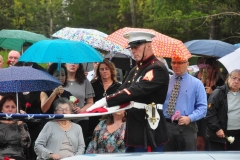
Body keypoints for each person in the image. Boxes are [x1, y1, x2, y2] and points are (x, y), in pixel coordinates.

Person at [87, 31, 170, 152]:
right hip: (134, 128)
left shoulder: (156, 68)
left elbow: (136, 91)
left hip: (149, 127)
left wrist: (106, 101)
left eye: (136, 47)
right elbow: (122, 90)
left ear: (148, 45)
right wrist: (104, 104)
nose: (133, 51)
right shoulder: (135, 69)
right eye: (132, 48)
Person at [162, 56, 207, 151]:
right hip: (167, 126)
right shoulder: (166, 81)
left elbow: (203, 108)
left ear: (187, 64)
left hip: (187, 127)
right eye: (173, 63)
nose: (176, 66)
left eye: (179, 63)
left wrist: (190, 118)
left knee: (187, 156)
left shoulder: (196, 84)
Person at [205, 69, 240, 151]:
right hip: (220, 133)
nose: (236, 81)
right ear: (228, 78)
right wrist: (217, 128)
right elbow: (210, 112)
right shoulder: (218, 93)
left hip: (238, 133)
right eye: (234, 78)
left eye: (239, 79)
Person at [195, 57, 225, 151]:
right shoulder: (200, 82)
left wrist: (213, 93)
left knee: (210, 143)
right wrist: (202, 83)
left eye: (209, 68)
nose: (206, 71)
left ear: (215, 69)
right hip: (201, 115)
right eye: (205, 68)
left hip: (213, 116)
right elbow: (194, 96)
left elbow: (223, 101)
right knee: (200, 143)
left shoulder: (220, 83)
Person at [88, 59, 121, 137]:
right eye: (102, 69)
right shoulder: (93, 84)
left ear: (111, 70)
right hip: (94, 118)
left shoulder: (118, 87)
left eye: (107, 69)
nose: (104, 71)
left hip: (111, 119)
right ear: (98, 71)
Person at [65, 63, 95, 140]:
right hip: (64, 119)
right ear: (64, 64)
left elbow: (90, 102)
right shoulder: (60, 81)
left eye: (76, 63)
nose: (73, 64)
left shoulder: (85, 81)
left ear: (79, 66)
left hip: (81, 119)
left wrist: (81, 110)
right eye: (70, 62)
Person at [0, 95, 31, 160]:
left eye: (13, 107)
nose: (10, 109)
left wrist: (21, 126)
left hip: (18, 157)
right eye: (7, 107)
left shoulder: (21, 124)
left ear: (17, 109)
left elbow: (26, 144)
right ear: (1, 108)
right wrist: (5, 159)